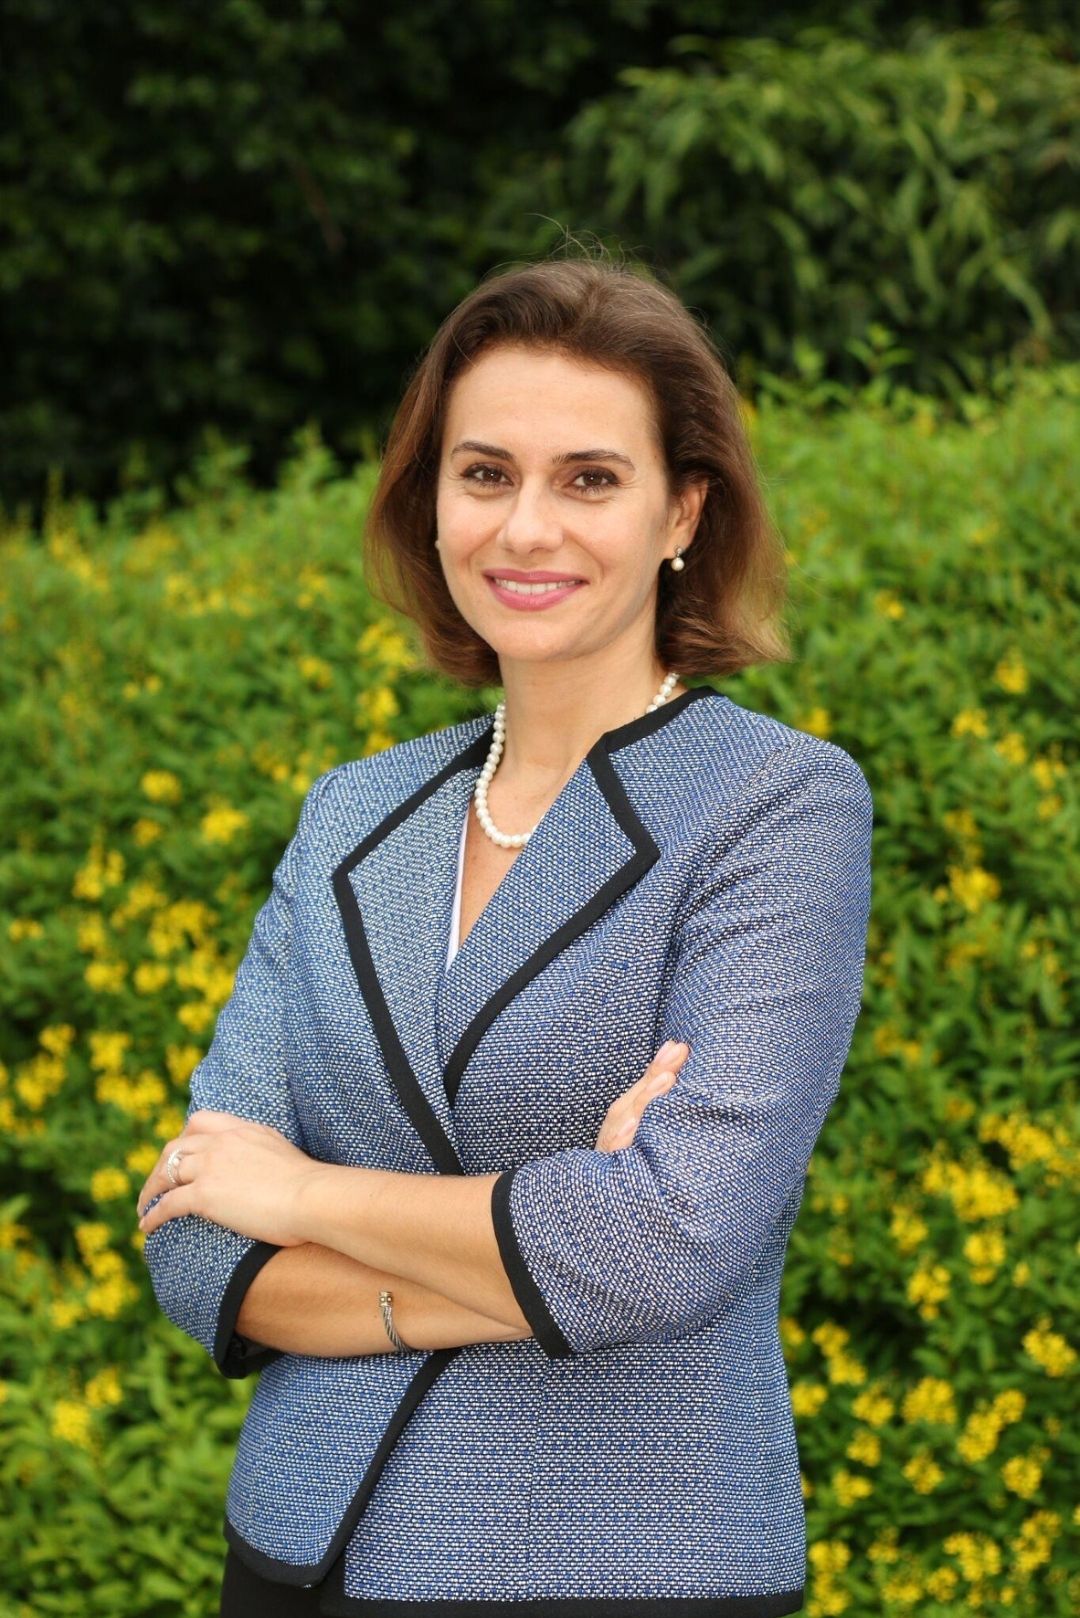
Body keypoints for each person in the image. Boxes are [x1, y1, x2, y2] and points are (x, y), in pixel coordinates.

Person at [135, 251, 873, 1617]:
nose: (527, 526)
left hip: (614, 1561)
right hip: (297, 1551)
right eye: (484, 474)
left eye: (589, 478)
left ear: (683, 511)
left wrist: (298, 1196)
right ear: (433, 505)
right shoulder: (353, 811)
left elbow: (666, 1237)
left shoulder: (773, 802)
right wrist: (541, 1253)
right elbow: (192, 1235)